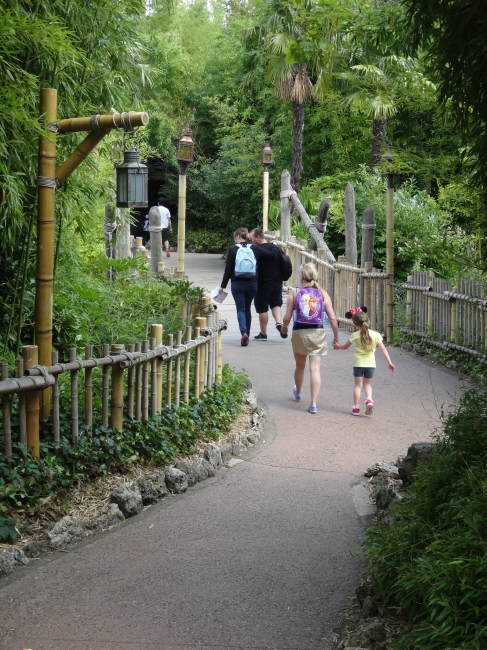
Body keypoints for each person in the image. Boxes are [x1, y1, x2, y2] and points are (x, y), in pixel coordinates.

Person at [280, 262, 339, 414]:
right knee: (315, 369)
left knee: (300, 366)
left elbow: (287, 317)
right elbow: (332, 319)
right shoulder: (323, 293)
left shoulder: (295, 291)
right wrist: (336, 337)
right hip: (317, 333)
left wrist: (284, 328)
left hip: (299, 332)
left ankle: (298, 392)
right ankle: (313, 404)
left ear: (302, 276)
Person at [332, 309, 395, 416]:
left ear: (355, 324)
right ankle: (369, 400)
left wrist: (338, 346)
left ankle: (356, 408)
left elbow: (345, 347)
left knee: (358, 386)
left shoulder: (355, 335)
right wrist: (389, 362)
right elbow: (383, 349)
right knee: (368, 385)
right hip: (370, 364)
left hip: (358, 364)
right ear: (367, 321)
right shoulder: (375, 335)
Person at [219, 228, 274, 346]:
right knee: (247, 308)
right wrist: (273, 245)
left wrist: (222, 286)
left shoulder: (233, 249)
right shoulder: (254, 248)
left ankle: (243, 333)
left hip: (237, 283)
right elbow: (270, 255)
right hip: (252, 283)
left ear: (238, 236)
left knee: (240, 309)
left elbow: (228, 270)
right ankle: (247, 334)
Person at [249, 228, 283, 340]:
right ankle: (278, 322)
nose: (251, 240)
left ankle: (263, 333)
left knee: (262, 308)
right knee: (276, 304)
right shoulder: (275, 248)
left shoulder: (256, 250)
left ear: (258, 238)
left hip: (263, 283)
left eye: (252, 237)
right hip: (277, 282)